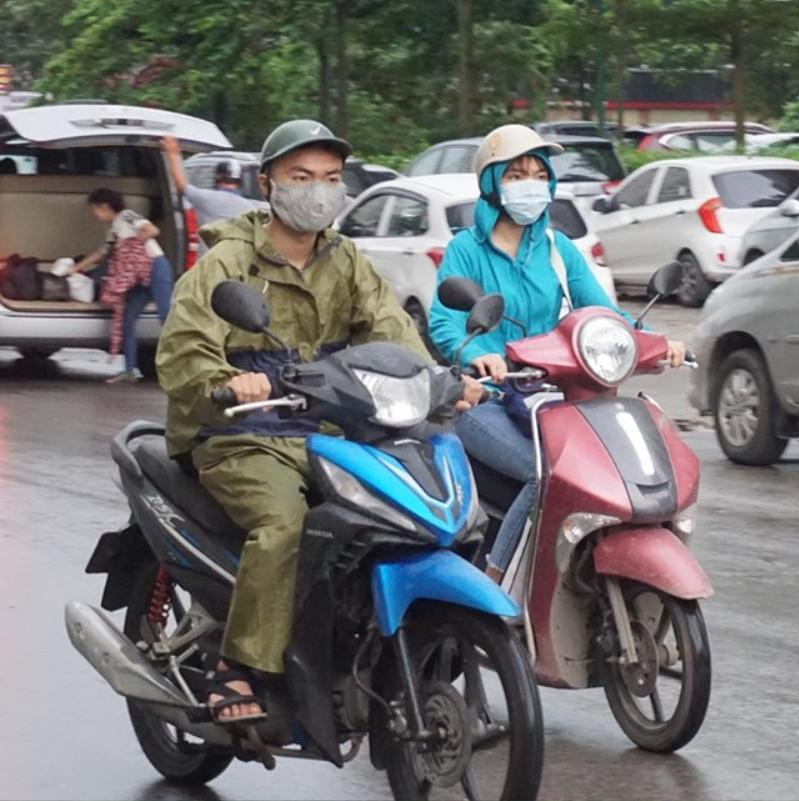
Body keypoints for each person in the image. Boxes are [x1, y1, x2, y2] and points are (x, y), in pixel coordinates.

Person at [155, 119, 486, 724]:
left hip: (327, 430)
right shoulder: (228, 261)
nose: (318, 191)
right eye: (301, 177)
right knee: (284, 524)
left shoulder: (347, 260)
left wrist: (439, 381)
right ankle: (240, 666)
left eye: (331, 179)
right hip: (242, 432)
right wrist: (226, 382)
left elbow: (391, 330)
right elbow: (185, 347)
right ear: (268, 184)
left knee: (400, 508)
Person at [429, 124, 686, 583]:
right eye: (515, 175)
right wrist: (476, 356)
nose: (530, 184)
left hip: (554, 396)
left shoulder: (557, 249)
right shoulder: (465, 250)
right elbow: (445, 320)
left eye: (538, 174)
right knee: (544, 472)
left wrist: (653, 342)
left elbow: (602, 315)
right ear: (491, 183)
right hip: (487, 395)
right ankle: (494, 581)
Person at [71, 188, 174, 383]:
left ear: (105, 206)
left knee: (166, 317)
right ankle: (129, 369)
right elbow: (102, 252)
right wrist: (76, 268)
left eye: (95, 209)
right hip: (137, 276)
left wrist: (130, 246)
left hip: (155, 268)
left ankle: (180, 367)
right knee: (126, 318)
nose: (94, 214)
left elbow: (152, 230)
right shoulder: (113, 229)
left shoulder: (126, 216)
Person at [160, 136, 256, 255]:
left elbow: (181, 185)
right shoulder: (250, 208)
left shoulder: (206, 198)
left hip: (209, 267)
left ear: (217, 177)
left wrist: (173, 153)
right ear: (240, 181)